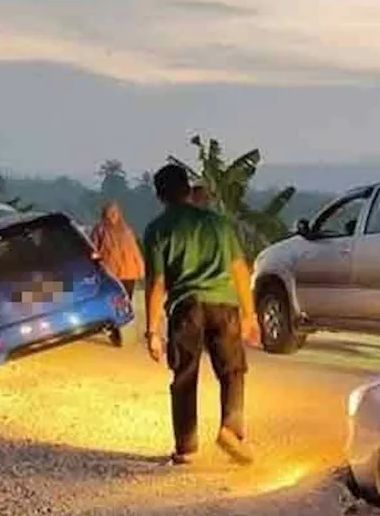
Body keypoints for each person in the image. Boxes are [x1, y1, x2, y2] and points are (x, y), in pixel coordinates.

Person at [142, 164, 260, 466]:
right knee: (232, 371)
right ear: (187, 189)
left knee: (184, 376)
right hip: (224, 305)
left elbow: (156, 284)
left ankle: (186, 446)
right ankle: (231, 429)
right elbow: (239, 270)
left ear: (159, 195)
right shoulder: (219, 224)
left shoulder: (157, 229)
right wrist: (250, 315)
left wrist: (152, 330)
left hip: (186, 307)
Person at [90, 200, 145, 346]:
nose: (112, 216)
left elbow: (134, 251)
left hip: (129, 273)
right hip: (111, 274)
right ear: (104, 214)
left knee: (126, 304)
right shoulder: (99, 230)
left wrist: (140, 269)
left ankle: (125, 332)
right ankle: (116, 333)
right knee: (114, 304)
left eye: (114, 212)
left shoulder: (127, 230)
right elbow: (93, 250)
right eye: (109, 213)